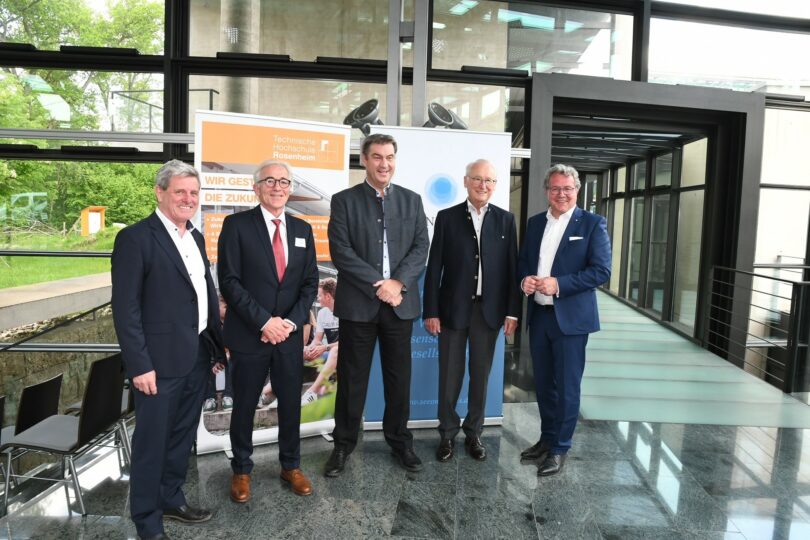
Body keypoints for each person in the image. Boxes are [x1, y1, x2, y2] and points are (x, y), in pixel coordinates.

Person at [111, 159, 225, 540]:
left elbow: (201, 296)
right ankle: (147, 521)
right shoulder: (135, 239)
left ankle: (171, 499)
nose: (188, 199)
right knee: (151, 443)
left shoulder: (195, 237)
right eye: (180, 191)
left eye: (193, 193)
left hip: (196, 355)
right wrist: (139, 365)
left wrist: (214, 348)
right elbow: (125, 309)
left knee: (180, 438)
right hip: (157, 365)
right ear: (160, 192)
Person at [324, 132, 429, 476]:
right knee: (352, 380)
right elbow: (341, 252)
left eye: (390, 157)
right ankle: (343, 445)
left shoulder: (412, 201)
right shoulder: (344, 201)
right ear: (364, 160)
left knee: (399, 380)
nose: (385, 164)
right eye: (378, 157)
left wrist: (397, 283)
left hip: (400, 303)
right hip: (359, 305)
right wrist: (380, 285)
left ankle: (400, 442)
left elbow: (420, 247)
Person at [217, 160, 319, 502]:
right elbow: (229, 281)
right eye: (270, 181)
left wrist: (288, 323)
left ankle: (291, 466)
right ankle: (241, 470)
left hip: (288, 336)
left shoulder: (303, 229)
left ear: (290, 188)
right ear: (256, 187)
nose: (278, 187)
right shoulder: (236, 226)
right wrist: (264, 322)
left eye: (284, 182)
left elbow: (310, 283)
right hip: (250, 335)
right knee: (245, 404)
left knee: (290, 404)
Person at [423, 159, 520, 463]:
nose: (483, 185)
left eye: (489, 180)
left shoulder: (506, 220)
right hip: (452, 311)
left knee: (480, 377)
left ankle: (474, 433)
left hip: (488, 313)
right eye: (477, 179)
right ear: (465, 181)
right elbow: (434, 267)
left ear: (496, 185)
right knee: (449, 377)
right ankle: (447, 434)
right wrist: (431, 311)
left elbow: (512, 270)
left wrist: (512, 312)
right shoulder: (447, 217)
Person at [517, 163, 611, 476]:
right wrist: (525, 280)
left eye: (568, 188)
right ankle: (546, 439)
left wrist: (559, 284)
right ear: (547, 191)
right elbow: (524, 262)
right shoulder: (535, 223)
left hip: (571, 320)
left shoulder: (592, 224)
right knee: (544, 385)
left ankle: (560, 448)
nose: (562, 194)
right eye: (556, 188)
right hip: (540, 316)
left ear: (577, 190)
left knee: (568, 387)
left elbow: (601, 271)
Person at [301, 277, 339, 405]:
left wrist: (325, 347)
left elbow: (348, 342)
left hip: (341, 353)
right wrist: (310, 348)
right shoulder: (322, 313)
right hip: (328, 353)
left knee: (335, 351)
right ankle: (273, 392)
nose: (318, 298)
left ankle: (312, 392)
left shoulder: (345, 311)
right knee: (298, 351)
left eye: (319, 295)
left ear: (328, 296)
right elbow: (317, 340)